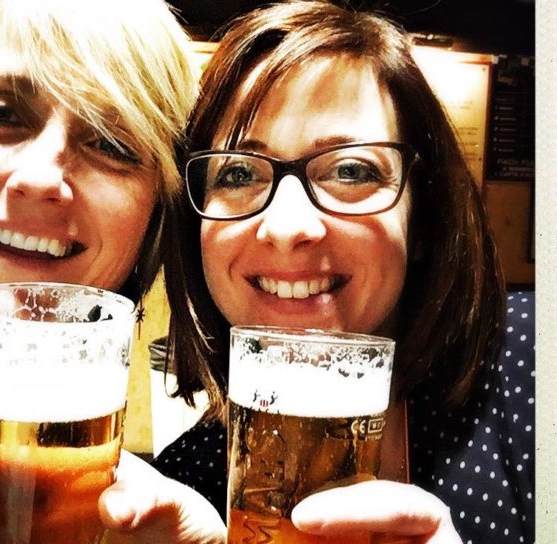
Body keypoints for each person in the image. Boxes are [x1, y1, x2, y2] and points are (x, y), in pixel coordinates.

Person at [154, 2, 534, 543]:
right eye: (237, 173)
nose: (286, 227)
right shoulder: (185, 487)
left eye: (351, 170)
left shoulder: (534, 365)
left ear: (424, 217)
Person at [0, 0, 208, 542]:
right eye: (0, 115)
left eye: (112, 144)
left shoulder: (149, 514)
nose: (44, 177)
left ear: (152, 219)